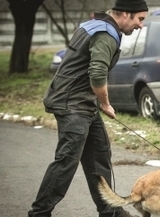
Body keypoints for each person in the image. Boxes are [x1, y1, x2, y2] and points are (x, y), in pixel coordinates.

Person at [28, 1, 148, 216]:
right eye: (140, 19)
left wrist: (96, 101)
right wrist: (105, 103)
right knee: (67, 161)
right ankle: (39, 213)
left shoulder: (98, 24)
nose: (140, 25)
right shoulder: (106, 34)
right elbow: (97, 73)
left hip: (82, 102)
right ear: (126, 14)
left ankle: (110, 211)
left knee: (99, 156)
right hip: (72, 103)